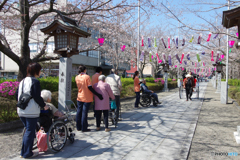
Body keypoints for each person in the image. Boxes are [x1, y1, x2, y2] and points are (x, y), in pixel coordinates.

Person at [16, 62, 49, 158]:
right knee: (30, 131)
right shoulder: (35, 82)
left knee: (28, 131)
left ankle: (24, 152)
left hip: (21, 110)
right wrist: (44, 105)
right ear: (36, 71)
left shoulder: (22, 81)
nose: (40, 72)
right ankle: (27, 153)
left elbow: (16, 95)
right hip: (31, 111)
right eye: (39, 70)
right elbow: (36, 96)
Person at [75, 65, 103, 132]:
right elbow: (90, 87)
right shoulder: (87, 77)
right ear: (84, 70)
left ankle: (78, 127)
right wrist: (98, 94)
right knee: (84, 113)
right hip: (86, 97)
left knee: (79, 112)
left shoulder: (77, 77)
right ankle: (84, 128)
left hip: (79, 96)